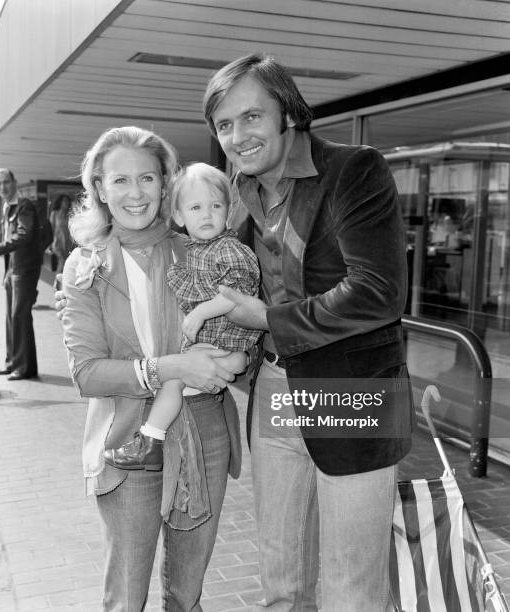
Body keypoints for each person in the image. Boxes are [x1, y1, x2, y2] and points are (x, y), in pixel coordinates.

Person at [202, 53, 415, 611]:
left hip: (354, 394)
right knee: (281, 584)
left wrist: (268, 320)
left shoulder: (354, 169)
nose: (238, 135)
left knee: (352, 590)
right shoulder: (237, 195)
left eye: (251, 117)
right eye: (224, 125)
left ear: (288, 114)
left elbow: (379, 292)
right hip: (273, 388)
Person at [60, 126, 243, 610]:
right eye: (120, 180)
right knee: (127, 594)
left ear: (166, 184)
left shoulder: (199, 249)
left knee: (187, 593)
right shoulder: (84, 266)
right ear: (99, 187)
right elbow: (88, 374)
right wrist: (172, 367)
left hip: (205, 434)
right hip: (129, 438)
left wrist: (231, 358)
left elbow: (240, 333)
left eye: (147, 178)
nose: (135, 193)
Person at [109, 162, 261, 471]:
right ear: (179, 216)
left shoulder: (229, 250)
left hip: (226, 342)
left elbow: (236, 293)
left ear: (228, 211)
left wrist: (200, 313)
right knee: (175, 380)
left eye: (215, 205)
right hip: (216, 345)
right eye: (195, 207)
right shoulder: (194, 250)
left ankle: (151, 440)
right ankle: (152, 441)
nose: (206, 214)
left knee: (173, 381)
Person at [0, 168, 42, 380]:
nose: (2, 188)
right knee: (11, 318)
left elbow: (24, 235)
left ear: (15, 182)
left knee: (20, 316)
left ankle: (24, 368)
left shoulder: (25, 206)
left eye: (5, 182)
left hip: (25, 269)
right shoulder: (8, 207)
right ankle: (13, 362)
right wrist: (7, 270)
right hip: (13, 269)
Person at [49, 193, 75, 273]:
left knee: (67, 264)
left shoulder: (71, 215)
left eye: (68, 201)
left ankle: (63, 282)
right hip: (57, 243)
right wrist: (50, 244)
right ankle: (58, 283)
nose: (66, 203)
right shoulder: (54, 213)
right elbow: (51, 229)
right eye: (64, 201)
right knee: (62, 261)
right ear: (60, 202)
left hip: (68, 243)